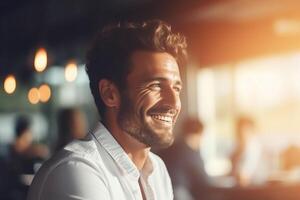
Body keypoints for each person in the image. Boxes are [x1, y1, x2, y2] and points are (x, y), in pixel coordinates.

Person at [27, 20, 187, 200]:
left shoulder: (157, 170)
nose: (174, 103)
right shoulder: (77, 170)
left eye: (176, 88)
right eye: (156, 85)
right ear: (110, 94)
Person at [159, 117, 211, 200]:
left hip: (162, 190)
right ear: (199, 134)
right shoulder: (190, 151)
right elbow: (203, 178)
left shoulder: (170, 147)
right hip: (178, 191)